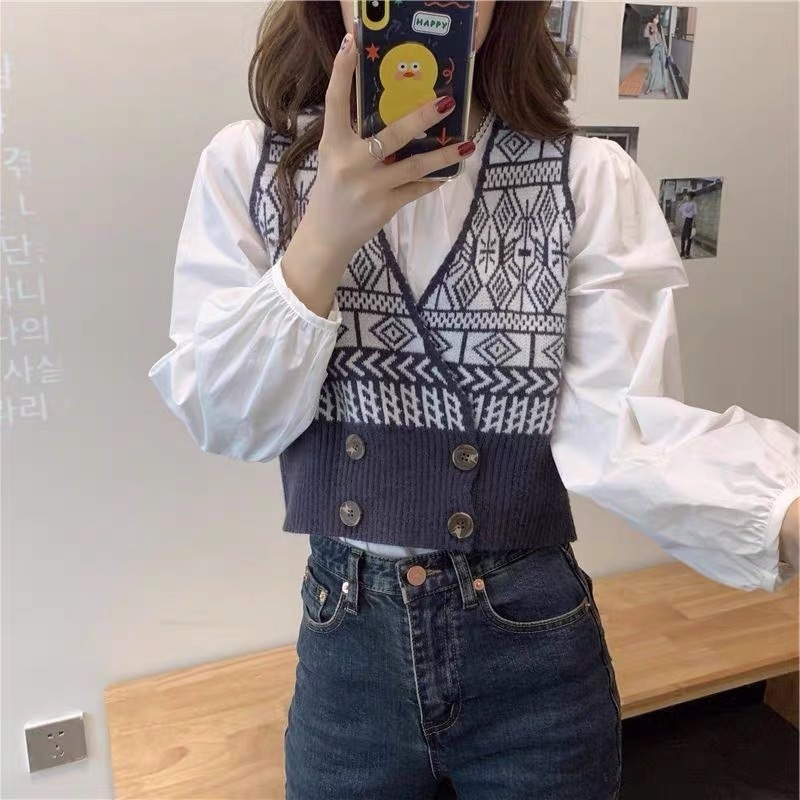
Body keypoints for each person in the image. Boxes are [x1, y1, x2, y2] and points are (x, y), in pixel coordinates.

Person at [147, 1, 800, 797]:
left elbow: (622, 432)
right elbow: (226, 418)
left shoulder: (585, 177)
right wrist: (322, 239)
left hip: (533, 643)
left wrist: (784, 507)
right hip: (348, 652)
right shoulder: (250, 167)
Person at [642, 11, 669, 96]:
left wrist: (666, 50)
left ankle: (665, 87)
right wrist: (649, 25)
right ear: (652, 19)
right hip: (655, 49)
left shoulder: (660, 27)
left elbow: (663, 38)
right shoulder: (650, 26)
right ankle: (650, 88)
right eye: (655, 18)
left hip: (661, 47)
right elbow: (645, 35)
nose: (657, 20)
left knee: (664, 68)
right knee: (653, 69)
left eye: (658, 18)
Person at [678, 190, 698, 257]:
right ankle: (682, 252)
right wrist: (683, 200)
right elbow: (679, 207)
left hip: (690, 221)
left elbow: (694, 214)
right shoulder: (685, 204)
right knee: (683, 237)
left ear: (691, 197)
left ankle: (687, 252)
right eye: (687, 196)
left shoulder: (694, 204)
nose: (687, 197)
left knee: (689, 237)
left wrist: (693, 223)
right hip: (686, 220)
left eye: (688, 196)